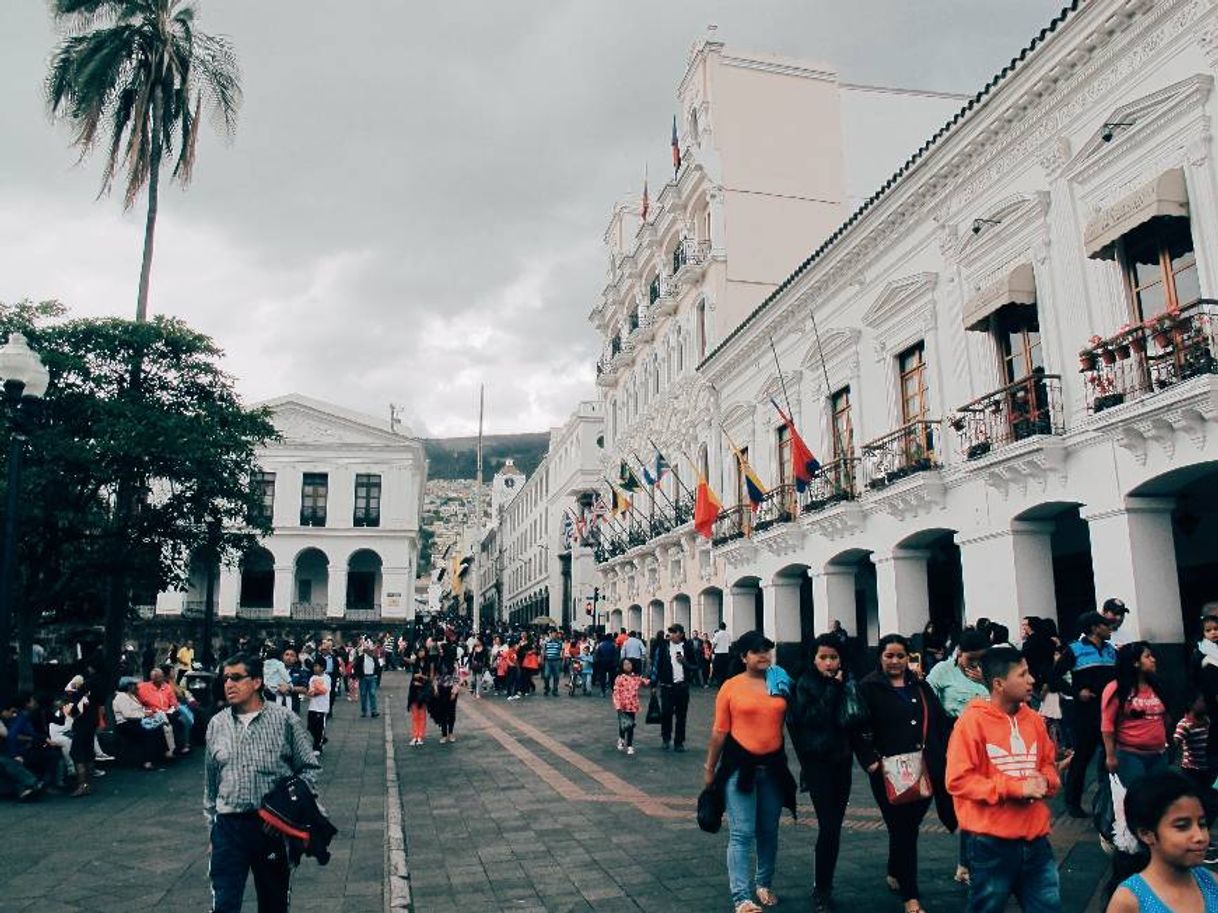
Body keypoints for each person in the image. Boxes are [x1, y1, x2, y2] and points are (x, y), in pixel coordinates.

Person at [946, 646, 1062, 913]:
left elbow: (1047, 765)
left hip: (1036, 841)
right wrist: (1016, 788)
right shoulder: (971, 722)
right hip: (990, 843)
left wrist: (1046, 781)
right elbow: (958, 780)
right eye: (1022, 674)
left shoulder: (1033, 719)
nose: (1031, 680)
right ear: (998, 684)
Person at [204, 653, 320, 913]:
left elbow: (309, 767)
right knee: (224, 904)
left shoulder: (284, 720)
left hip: (270, 827)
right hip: (228, 826)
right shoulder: (216, 724)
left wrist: (292, 809)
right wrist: (212, 827)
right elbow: (211, 784)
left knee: (273, 903)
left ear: (257, 682)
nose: (229, 685)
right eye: (225, 679)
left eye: (236, 678)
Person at [854, 633, 951, 913]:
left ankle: (896, 869)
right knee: (903, 828)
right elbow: (856, 726)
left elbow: (938, 721)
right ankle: (911, 896)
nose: (895, 661)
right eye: (889, 656)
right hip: (888, 771)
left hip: (923, 768)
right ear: (880, 657)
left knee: (908, 828)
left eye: (900, 656)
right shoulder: (868, 687)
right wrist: (870, 760)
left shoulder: (920, 686)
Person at [704, 631, 797, 913]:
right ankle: (741, 898)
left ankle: (764, 884)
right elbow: (720, 732)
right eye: (757, 651)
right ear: (744, 656)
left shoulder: (779, 681)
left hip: (773, 767)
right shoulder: (731, 687)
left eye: (767, 650)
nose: (763, 656)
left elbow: (802, 711)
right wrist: (710, 767)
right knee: (742, 833)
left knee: (768, 831)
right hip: (738, 768)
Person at [788, 633, 862, 913]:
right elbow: (811, 719)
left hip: (842, 762)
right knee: (828, 826)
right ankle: (822, 889)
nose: (829, 663)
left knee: (834, 826)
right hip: (817, 763)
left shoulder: (849, 682)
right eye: (823, 658)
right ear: (813, 659)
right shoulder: (806, 684)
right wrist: (833, 688)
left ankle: (824, 884)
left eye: (834, 657)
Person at [927, 627, 991, 885]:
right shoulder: (943, 670)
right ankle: (967, 861)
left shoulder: (991, 671)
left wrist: (985, 681)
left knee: (982, 803)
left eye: (980, 658)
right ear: (959, 653)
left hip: (987, 740)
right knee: (961, 802)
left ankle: (972, 862)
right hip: (953, 737)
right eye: (970, 658)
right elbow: (927, 698)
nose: (975, 664)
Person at [1106, 769, 1218, 913]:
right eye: (1182, 826)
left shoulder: (1212, 883)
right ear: (1146, 834)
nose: (1200, 837)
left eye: (1202, 824)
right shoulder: (1129, 901)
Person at [1055, 610, 1117, 818]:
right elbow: (1053, 676)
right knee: (1082, 758)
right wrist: (1076, 692)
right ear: (1094, 628)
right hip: (1085, 714)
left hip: (1110, 712)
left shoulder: (1111, 650)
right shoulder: (1075, 649)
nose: (1110, 628)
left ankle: (1108, 801)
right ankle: (1073, 803)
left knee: (1110, 757)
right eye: (1105, 625)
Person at [1102, 641, 1170, 789]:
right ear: (1135, 663)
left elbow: (1165, 717)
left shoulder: (1157, 685)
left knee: (1160, 797)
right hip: (1130, 754)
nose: (1153, 659)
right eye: (1148, 656)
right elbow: (1107, 725)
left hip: (1159, 753)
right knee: (1140, 797)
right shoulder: (1116, 688)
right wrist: (1111, 756)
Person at [1173, 693, 1218, 864]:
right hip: (1191, 772)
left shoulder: (1207, 720)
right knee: (1199, 806)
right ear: (1190, 705)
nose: (1204, 704)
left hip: (1208, 771)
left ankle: (1203, 838)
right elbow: (1175, 740)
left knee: (1211, 806)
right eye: (1200, 701)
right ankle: (1198, 844)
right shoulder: (1185, 725)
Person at [651, 623, 697, 752]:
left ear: (681, 634)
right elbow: (656, 665)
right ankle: (666, 739)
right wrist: (653, 684)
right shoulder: (663, 646)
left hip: (682, 686)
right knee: (666, 713)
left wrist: (685, 662)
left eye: (674, 632)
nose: (671, 634)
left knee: (681, 716)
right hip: (667, 686)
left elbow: (695, 666)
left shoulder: (687, 646)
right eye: (670, 632)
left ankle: (679, 742)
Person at [111, 677, 169, 770]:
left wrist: (147, 712)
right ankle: (146, 761)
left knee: (158, 728)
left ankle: (164, 753)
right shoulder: (121, 697)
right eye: (134, 685)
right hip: (125, 724)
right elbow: (128, 714)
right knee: (147, 732)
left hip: (136, 721)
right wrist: (144, 715)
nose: (136, 687)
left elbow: (139, 709)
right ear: (128, 686)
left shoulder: (131, 695)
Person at [613, 657, 644, 755]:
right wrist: (617, 706)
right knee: (623, 725)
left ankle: (630, 745)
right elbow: (616, 693)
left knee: (630, 726)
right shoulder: (619, 678)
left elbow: (644, 681)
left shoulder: (636, 678)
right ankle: (621, 739)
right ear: (622, 666)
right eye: (625, 664)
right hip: (622, 707)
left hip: (632, 707)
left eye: (629, 664)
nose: (627, 666)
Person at [431, 645, 460, 743]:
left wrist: (454, 691)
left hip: (451, 689)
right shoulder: (439, 661)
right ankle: (443, 734)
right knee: (442, 711)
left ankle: (451, 733)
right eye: (439, 650)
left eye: (442, 649)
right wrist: (435, 688)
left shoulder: (454, 663)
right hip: (441, 689)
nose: (440, 651)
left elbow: (456, 678)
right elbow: (436, 676)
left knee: (451, 712)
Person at [407, 647, 433, 746]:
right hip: (414, 690)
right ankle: (414, 735)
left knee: (422, 715)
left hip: (424, 691)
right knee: (415, 715)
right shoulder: (415, 663)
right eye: (419, 651)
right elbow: (413, 675)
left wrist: (421, 676)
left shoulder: (428, 664)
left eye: (423, 651)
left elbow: (430, 677)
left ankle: (420, 735)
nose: (421, 653)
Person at [353, 640, 383, 718]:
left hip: (372, 677)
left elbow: (378, 667)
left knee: (372, 694)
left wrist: (376, 675)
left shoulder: (374, 658)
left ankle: (374, 711)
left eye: (371, 651)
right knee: (363, 694)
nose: (370, 652)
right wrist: (358, 676)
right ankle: (364, 711)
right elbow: (356, 667)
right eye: (369, 651)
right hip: (363, 678)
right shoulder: (361, 658)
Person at [306, 659, 330, 754]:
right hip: (312, 706)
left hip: (322, 707)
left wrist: (314, 691)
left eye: (317, 666)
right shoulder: (312, 678)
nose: (315, 668)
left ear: (322, 668)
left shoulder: (327, 678)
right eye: (314, 666)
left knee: (319, 727)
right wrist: (313, 691)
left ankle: (317, 747)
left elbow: (323, 690)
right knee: (311, 726)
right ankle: (322, 739)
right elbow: (310, 690)